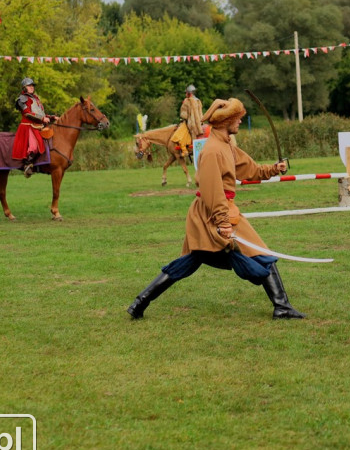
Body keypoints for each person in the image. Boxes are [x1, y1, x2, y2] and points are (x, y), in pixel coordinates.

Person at [127, 98, 305, 321]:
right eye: (237, 118)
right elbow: (212, 191)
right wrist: (222, 223)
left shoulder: (227, 144)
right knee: (257, 253)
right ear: (226, 121)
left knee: (192, 260)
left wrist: (272, 169)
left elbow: (248, 169)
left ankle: (139, 303)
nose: (240, 121)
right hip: (212, 213)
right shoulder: (212, 151)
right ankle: (282, 307)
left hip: (218, 211)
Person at [11, 77, 58, 178]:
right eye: (29, 86)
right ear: (24, 87)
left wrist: (52, 117)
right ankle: (28, 165)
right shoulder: (22, 99)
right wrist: (42, 119)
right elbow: (27, 114)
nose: (32, 87)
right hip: (28, 126)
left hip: (38, 126)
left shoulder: (36, 99)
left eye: (32, 86)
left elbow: (41, 114)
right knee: (34, 147)